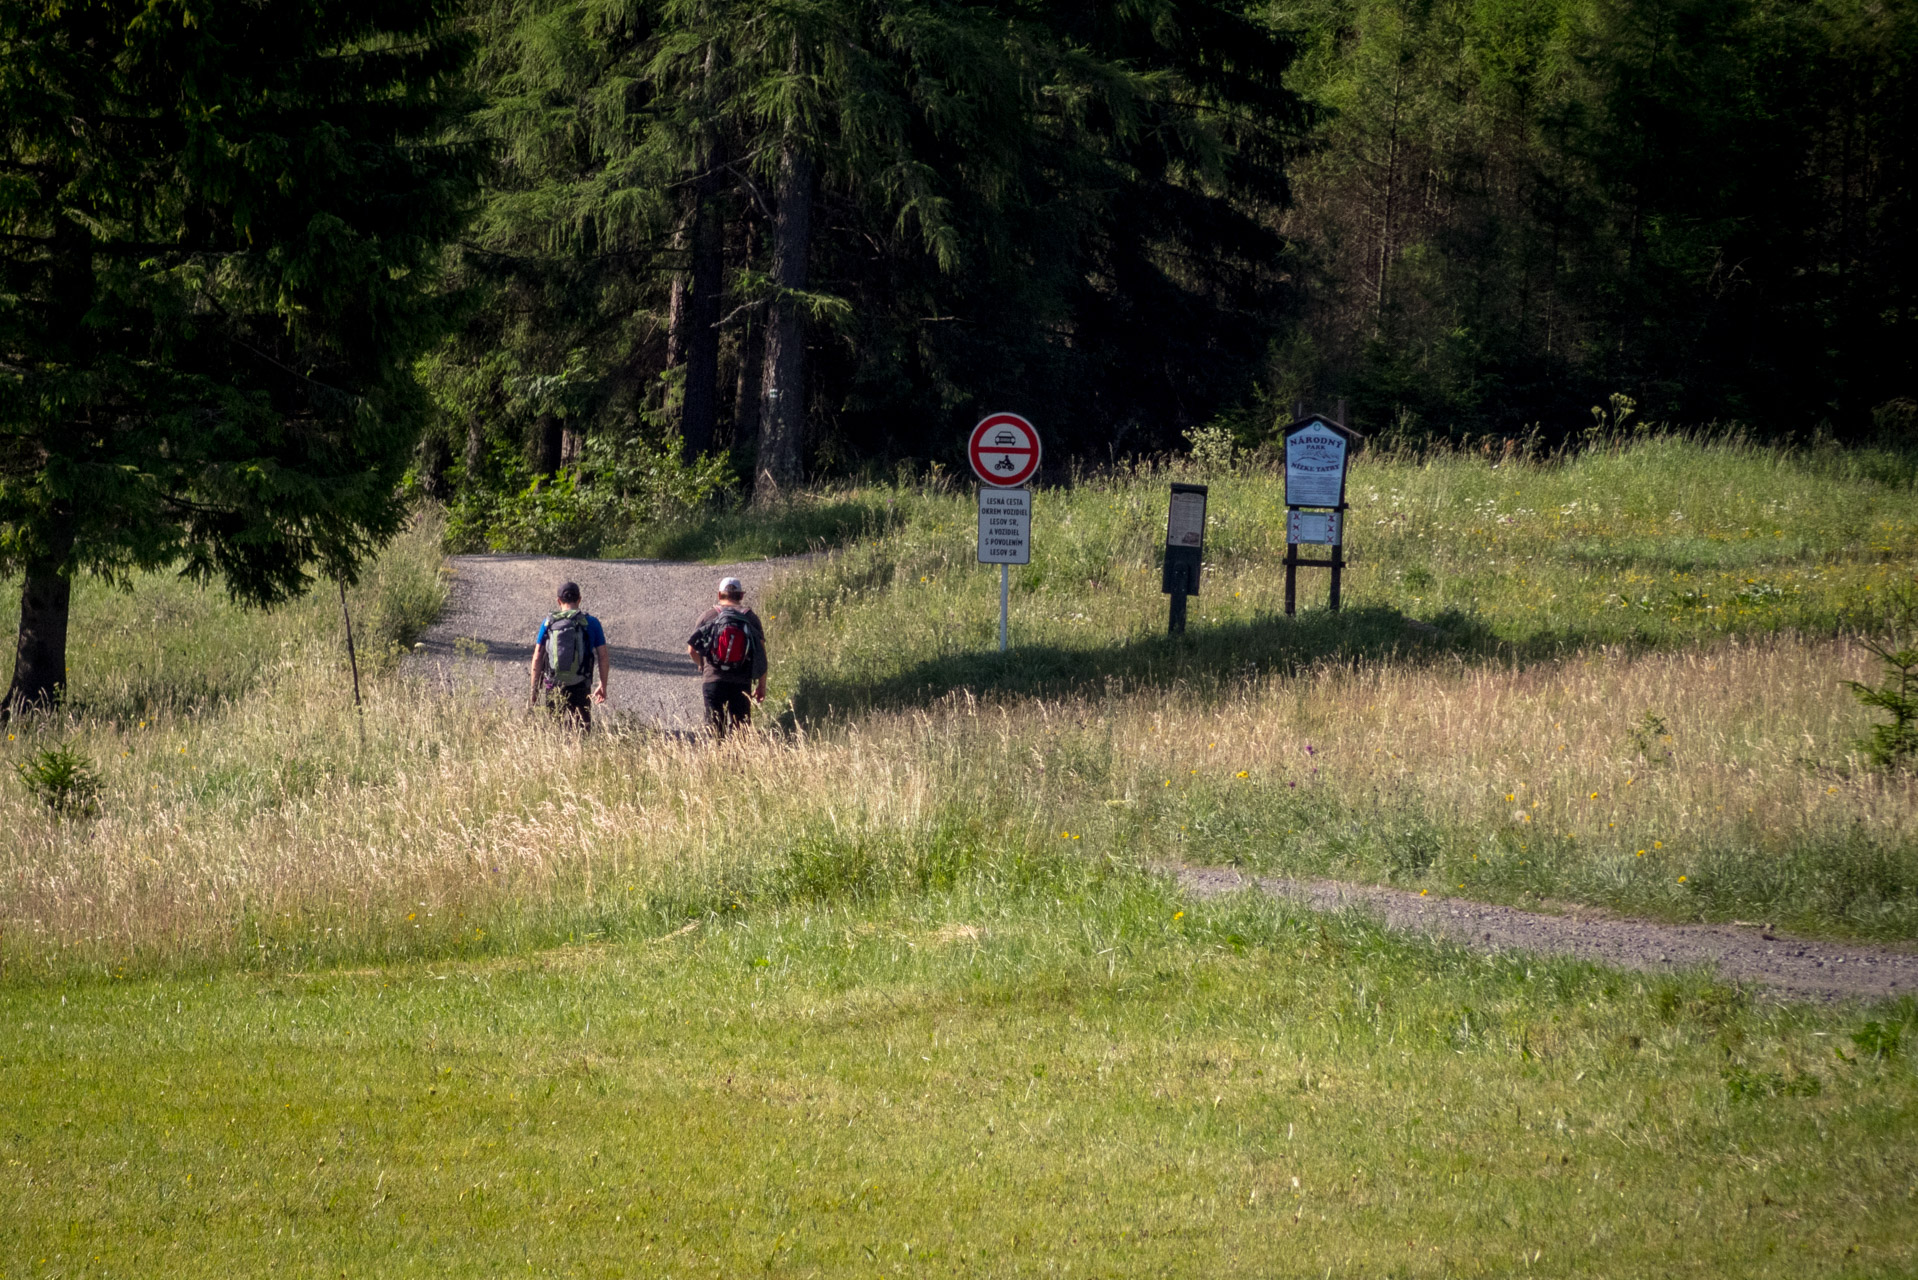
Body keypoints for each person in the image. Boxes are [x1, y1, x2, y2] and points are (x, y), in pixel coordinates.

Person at [687, 576, 768, 738]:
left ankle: (717, 760)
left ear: (719, 595)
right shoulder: (751, 618)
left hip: (713, 681)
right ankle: (737, 761)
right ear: (741, 596)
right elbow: (761, 654)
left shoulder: (708, 616)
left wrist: (702, 666)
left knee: (715, 731)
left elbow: (691, 650)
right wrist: (761, 685)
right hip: (741, 683)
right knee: (741, 731)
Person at [530, 581, 608, 728]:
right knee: (582, 730)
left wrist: (534, 691)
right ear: (579, 599)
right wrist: (602, 685)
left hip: (553, 684)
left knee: (554, 730)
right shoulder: (591, 623)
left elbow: (537, 658)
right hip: (580, 684)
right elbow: (603, 656)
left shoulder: (548, 623)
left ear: (558, 601)